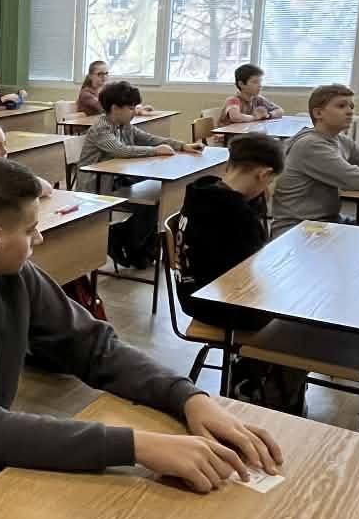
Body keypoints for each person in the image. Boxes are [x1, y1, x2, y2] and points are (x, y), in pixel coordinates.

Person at [0, 154, 281, 490]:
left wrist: (188, 397)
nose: (39, 237)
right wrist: (138, 446)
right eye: (30, 228)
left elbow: (95, 347)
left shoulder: (13, 274)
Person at [175, 132, 314, 412]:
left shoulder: (201, 192)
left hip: (196, 292)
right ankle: (266, 391)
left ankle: (261, 376)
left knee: (297, 302)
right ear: (263, 174)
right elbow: (258, 267)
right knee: (305, 316)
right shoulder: (235, 213)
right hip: (218, 303)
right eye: (269, 182)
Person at [83, 80, 200, 269]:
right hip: (99, 185)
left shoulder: (124, 125)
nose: (134, 111)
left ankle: (130, 241)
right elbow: (121, 150)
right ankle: (129, 242)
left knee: (160, 197)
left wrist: (182, 145)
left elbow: (149, 139)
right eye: (130, 108)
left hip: (121, 179)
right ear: (115, 108)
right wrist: (155, 151)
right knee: (151, 202)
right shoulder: (101, 129)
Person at [273, 83, 359, 236]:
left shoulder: (340, 140)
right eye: (341, 106)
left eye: (351, 106)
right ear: (318, 113)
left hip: (328, 221)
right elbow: (358, 181)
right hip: (298, 227)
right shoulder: (311, 145)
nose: (350, 111)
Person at [220, 64, 284, 125]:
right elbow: (235, 117)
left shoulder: (258, 99)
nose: (260, 85)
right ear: (241, 84)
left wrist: (268, 115)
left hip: (246, 131)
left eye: (260, 81)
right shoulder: (233, 100)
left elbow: (280, 111)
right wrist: (255, 117)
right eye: (255, 82)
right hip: (229, 132)